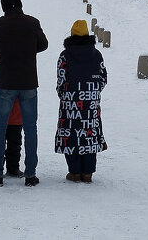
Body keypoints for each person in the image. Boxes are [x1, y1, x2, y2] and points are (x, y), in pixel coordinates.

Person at [0, 0, 48, 187]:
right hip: (28, 83)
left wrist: (4, 48)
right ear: (20, 5)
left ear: (3, 8)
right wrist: (26, 49)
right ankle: (31, 175)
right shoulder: (32, 22)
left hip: (5, 84)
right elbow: (43, 45)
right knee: (30, 129)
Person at [55, 20, 107, 182]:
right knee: (89, 135)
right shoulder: (97, 54)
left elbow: (61, 79)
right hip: (90, 103)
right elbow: (103, 78)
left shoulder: (64, 55)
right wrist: (94, 92)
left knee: (70, 135)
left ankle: (75, 172)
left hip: (70, 102)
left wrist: (63, 94)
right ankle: (88, 172)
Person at [0, 56, 24, 178]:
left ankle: (12, 168)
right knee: (0, 142)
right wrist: (2, 88)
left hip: (12, 111)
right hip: (9, 111)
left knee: (14, 142)